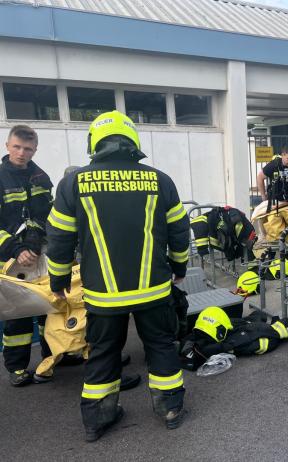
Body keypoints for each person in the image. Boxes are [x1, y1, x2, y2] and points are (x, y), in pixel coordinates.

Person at [46, 110, 190, 441]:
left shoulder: (73, 184)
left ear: (94, 143)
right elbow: (180, 231)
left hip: (102, 295)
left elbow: (58, 239)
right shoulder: (160, 180)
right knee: (161, 346)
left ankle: (97, 419)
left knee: (103, 352)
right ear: (132, 141)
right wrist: (179, 269)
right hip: (154, 291)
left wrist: (58, 282)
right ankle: (169, 408)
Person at [0, 125, 53, 387]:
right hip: (8, 257)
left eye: (28, 149)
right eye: (17, 147)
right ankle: (17, 367)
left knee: (47, 309)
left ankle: (51, 358)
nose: (22, 153)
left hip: (38, 253)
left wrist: (32, 244)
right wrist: (16, 249)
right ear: (7, 145)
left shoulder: (41, 177)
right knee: (17, 314)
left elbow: (46, 216)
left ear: (35, 150)